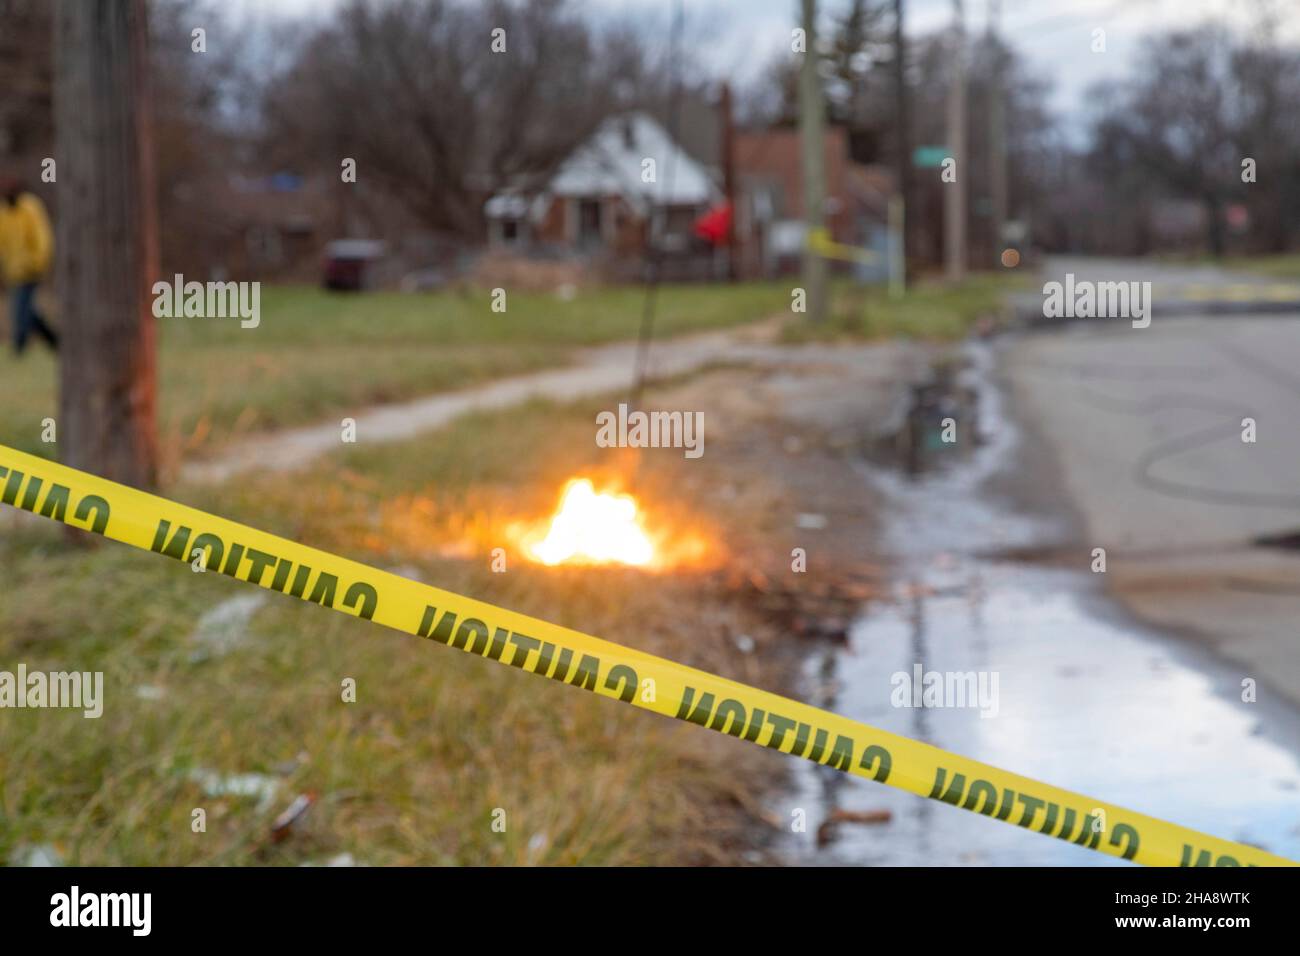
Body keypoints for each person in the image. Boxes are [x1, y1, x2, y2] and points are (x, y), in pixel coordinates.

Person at [0, 176, 58, 355]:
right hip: (13, 271)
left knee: (21, 308)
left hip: (31, 270)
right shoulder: (4, 213)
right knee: (27, 310)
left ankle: (19, 345)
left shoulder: (30, 208)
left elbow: (42, 238)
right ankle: (53, 340)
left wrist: (38, 262)